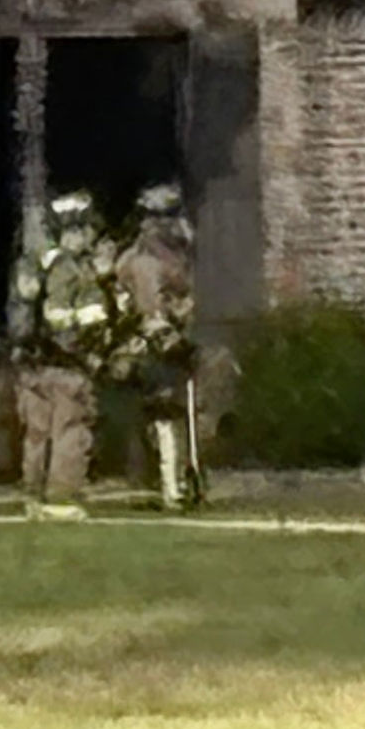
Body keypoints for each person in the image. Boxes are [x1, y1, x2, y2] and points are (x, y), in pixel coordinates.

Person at [6, 190, 116, 516]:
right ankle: (62, 499)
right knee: (69, 431)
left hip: (31, 367)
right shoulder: (76, 271)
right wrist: (95, 349)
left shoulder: (36, 261)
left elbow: (21, 310)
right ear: (79, 231)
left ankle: (33, 494)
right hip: (68, 367)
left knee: (36, 434)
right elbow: (87, 321)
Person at [111, 183, 200, 509]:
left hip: (143, 345)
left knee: (153, 417)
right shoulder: (158, 261)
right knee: (166, 415)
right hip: (160, 345)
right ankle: (171, 488)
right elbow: (172, 302)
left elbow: (121, 299)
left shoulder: (129, 258)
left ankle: (157, 482)